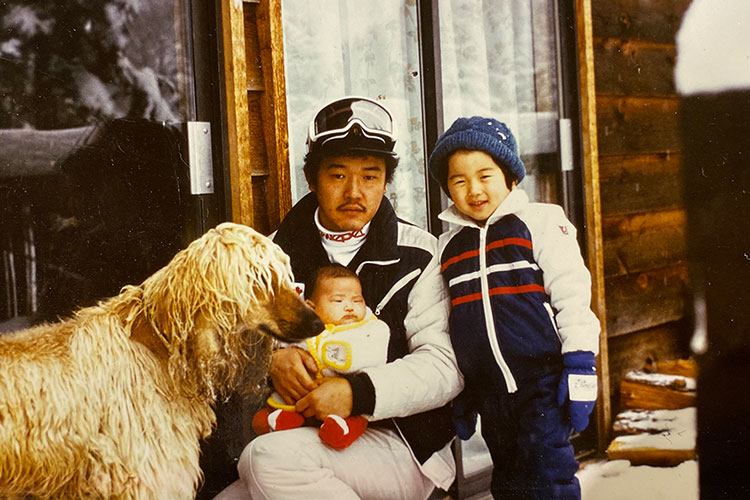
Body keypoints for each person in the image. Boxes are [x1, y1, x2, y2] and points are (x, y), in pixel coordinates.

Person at [215, 96, 463, 500]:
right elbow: (235, 347)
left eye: (370, 176)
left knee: (266, 459)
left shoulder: (419, 253)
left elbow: (444, 366)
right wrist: (270, 360)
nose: (354, 192)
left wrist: (357, 393)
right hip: (303, 440)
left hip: (401, 446)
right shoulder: (273, 257)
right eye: (337, 175)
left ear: (385, 181)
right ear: (312, 179)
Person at [428, 116, 601, 499]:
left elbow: (572, 296)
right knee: (507, 481)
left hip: (542, 385)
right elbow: (450, 323)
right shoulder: (448, 248)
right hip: (489, 393)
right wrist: (462, 392)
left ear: (511, 177)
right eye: (459, 180)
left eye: (485, 175)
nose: (473, 189)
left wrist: (579, 365)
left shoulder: (538, 222)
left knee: (548, 477)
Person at [251, 264, 390, 451]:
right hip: (302, 392)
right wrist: (275, 355)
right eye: (338, 301)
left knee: (356, 419)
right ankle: (281, 418)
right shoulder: (307, 327)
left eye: (357, 300)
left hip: (347, 400)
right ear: (311, 307)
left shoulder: (365, 328)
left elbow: (373, 353)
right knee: (280, 411)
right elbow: (279, 340)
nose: (349, 307)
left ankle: (341, 430)